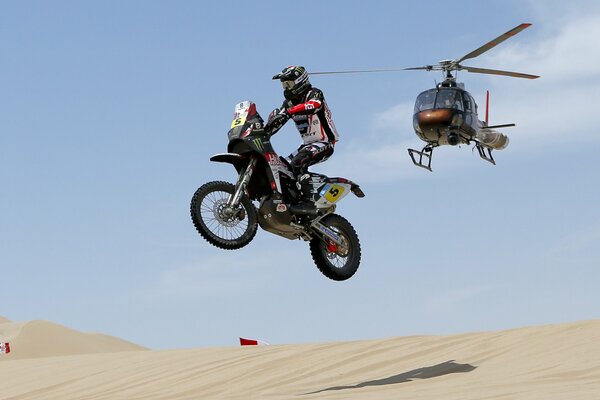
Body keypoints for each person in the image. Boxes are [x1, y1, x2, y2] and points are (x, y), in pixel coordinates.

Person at [267, 66, 340, 213]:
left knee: (297, 162)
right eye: (284, 84)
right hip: (307, 145)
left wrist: (289, 112)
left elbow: (314, 105)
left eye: (289, 84)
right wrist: (266, 129)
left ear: (300, 81)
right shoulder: (288, 103)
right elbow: (279, 121)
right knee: (281, 167)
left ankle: (309, 203)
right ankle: (294, 198)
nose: (286, 88)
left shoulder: (314, 93)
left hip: (324, 142)